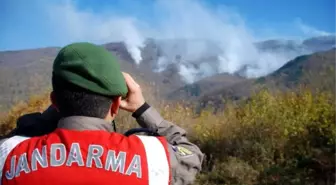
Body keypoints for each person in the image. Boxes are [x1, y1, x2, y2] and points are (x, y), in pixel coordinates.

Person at [0, 42, 204, 185]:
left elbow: (14, 138)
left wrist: (57, 110)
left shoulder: (9, 154)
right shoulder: (151, 157)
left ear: (54, 102)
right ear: (116, 105)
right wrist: (142, 109)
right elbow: (191, 154)